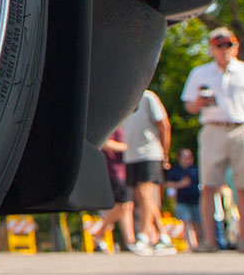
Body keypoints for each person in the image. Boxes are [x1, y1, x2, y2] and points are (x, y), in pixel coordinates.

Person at [181, 27, 244, 251]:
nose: (224, 49)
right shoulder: (200, 73)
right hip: (213, 128)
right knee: (208, 185)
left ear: (236, 47)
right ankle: (209, 241)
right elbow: (189, 105)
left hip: (243, 128)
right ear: (211, 48)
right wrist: (198, 103)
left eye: (228, 44)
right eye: (219, 44)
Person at [121, 89, 174, 254]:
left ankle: (144, 237)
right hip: (131, 155)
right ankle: (164, 237)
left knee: (145, 192)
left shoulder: (148, 97)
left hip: (150, 153)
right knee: (142, 196)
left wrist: (165, 154)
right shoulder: (121, 99)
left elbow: (164, 125)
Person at [86, 129, 137, 253]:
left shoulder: (124, 126)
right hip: (114, 171)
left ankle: (129, 241)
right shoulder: (112, 125)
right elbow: (104, 143)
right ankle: (99, 234)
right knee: (123, 205)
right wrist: (129, 147)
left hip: (124, 171)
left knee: (128, 206)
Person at [165, 148, 200, 251]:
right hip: (182, 201)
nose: (188, 160)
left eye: (190, 157)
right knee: (186, 222)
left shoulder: (195, 169)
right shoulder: (175, 171)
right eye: (185, 157)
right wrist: (180, 184)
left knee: (197, 223)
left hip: (196, 200)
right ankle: (189, 244)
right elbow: (167, 184)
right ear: (180, 158)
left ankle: (199, 243)